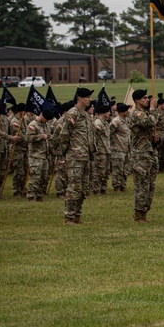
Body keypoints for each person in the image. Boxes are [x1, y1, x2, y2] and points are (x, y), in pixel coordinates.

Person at [55, 87, 94, 224]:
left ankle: (77, 215)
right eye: (86, 97)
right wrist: (65, 152)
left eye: (89, 97)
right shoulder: (73, 113)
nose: (89, 100)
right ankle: (69, 216)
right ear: (79, 98)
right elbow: (64, 135)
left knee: (83, 187)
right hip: (75, 156)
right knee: (74, 187)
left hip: (85, 156)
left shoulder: (86, 115)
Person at [128, 90, 160, 222]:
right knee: (142, 185)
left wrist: (153, 138)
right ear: (137, 100)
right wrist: (153, 108)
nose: (147, 100)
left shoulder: (145, 113)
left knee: (150, 185)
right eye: (144, 98)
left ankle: (144, 211)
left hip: (149, 152)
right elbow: (150, 122)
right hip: (140, 155)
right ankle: (139, 214)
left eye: (147, 98)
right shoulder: (137, 113)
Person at [24, 106, 55, 201]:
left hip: (45, 155)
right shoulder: (33, 125)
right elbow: (28, 138)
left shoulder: (46, 125)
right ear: (42, 116)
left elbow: (48, 135)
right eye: (45, 119)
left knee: (44, 177)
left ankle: (39, 195)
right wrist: (41, 136)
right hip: (35, 155)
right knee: (35, 176)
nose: (46, 121)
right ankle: (31, 195)